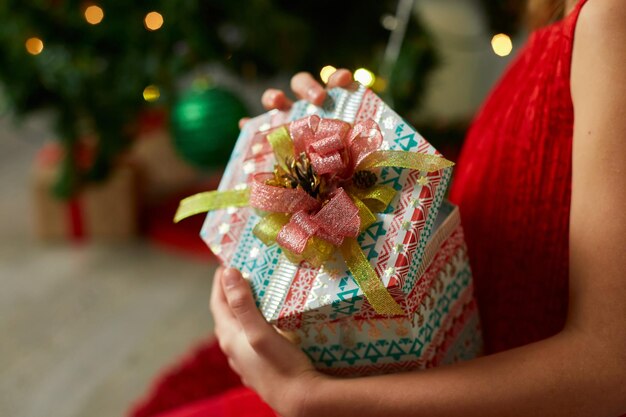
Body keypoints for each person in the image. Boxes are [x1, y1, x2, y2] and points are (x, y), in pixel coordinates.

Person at [131, 0, 626, 415]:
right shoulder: (563, 14)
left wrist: (309, 397)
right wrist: (364, 134)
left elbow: (609, 371)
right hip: (438, 364)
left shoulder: (612, 17)